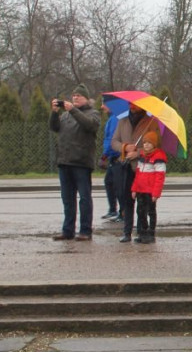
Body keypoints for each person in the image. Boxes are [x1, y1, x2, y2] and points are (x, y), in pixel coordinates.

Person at [49, 84, 100, 241]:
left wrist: (73, 110)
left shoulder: (93, 113)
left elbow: (89, 125)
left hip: (82, 162)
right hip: (65, 162)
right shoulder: (66, 116)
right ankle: (68, 230)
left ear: (86, 98)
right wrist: (54, 113)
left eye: (79, 95)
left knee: (84, 198)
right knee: (67, 199)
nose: (75, 97)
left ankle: (85, 230)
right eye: (74, 95)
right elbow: (54, 127)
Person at [111, 100, 159, 243]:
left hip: (144, 168)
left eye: (135, 104)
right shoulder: (123, 121)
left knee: (143, 202)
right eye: (130, 104)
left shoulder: (151, 123)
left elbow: (157, 144)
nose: (132, 106)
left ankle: (142, 231)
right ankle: (127, 232)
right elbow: (114, 142)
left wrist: (138, 152)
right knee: (127, 200)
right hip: (125, 167)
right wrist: (125, 148)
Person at [130, 131, 166, 244]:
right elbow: (138, 174)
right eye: (144, 142)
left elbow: (160, 177)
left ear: (154, 144)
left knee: (150, 212)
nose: (146, 145)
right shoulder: (142, 156)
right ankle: (143, 232)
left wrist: (156, 193)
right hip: (140, 190)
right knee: (140, 212)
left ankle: (151, 233)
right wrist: (134, 189)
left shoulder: (159, 157)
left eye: (149, 143)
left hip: (150, 191)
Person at [100, 110, 122, 221]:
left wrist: (105, 155)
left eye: (104, 103)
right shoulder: (114, 118)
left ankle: (121, 212)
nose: (102, 106)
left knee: (118, 185)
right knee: (110, 182)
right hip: (115, 155)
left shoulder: (114, 119)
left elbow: (111, 139)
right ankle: (114, 210)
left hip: (117, 156)